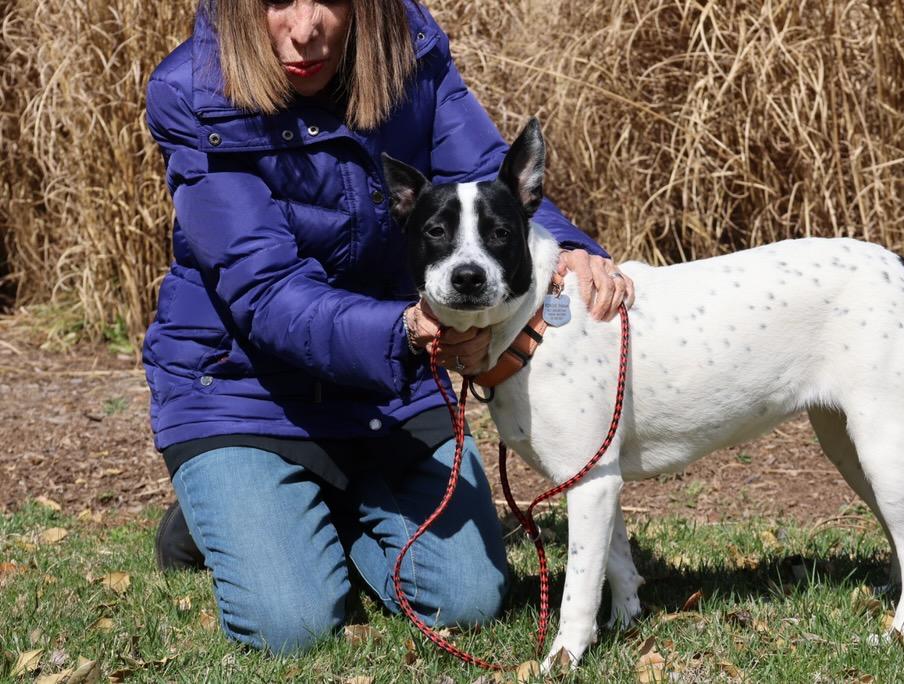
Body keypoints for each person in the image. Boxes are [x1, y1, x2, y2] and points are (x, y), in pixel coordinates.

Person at [145, 0, 635, 655]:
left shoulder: (410, 53)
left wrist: (570, 250)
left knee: (472, 598)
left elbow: (489, 181)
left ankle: (317, 510)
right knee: (291, 625)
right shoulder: (193, 94)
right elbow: (265, 293)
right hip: (246, 393)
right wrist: (404, 328)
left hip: (390, 390)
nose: (304, 28)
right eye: (275, 2)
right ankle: (219, 507)